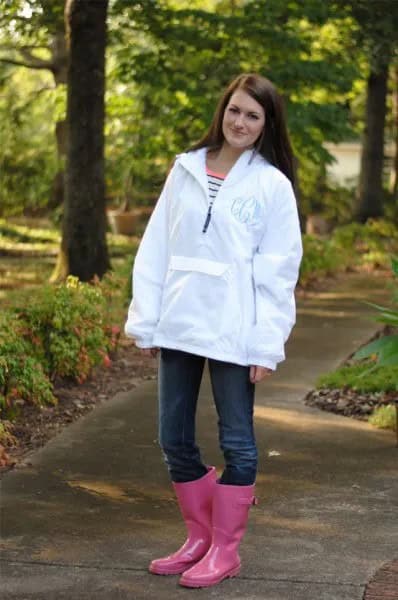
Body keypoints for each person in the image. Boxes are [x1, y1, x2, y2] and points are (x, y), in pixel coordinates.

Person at [125, 73, 303, 588]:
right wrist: (147, 318)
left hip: (234, 328)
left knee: (239, 445)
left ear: (266, 124)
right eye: (235, 110)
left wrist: (267, 343)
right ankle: (198, 538)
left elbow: (278, 271)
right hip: (179, 321)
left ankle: (226, 550)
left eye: (253, 115)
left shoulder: (271, 185)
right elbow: (156, 247)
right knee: (172, 438)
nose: (240, 122)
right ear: (222, 110)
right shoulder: (184, 169)